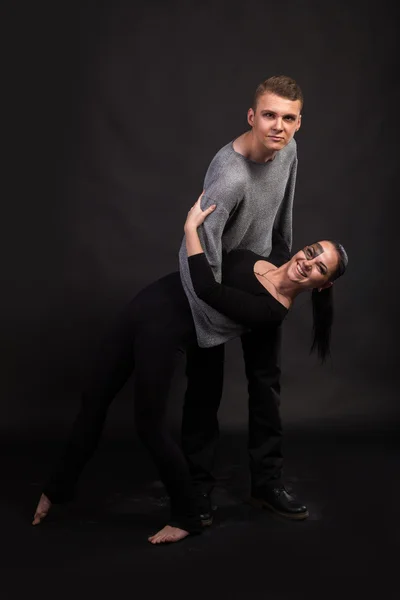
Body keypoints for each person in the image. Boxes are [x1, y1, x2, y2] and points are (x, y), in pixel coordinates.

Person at [32, 194, 348, 544]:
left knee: (148, 425)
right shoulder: (270, 254)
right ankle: (56, 491)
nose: (308, 262)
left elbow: (206, 289)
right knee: (93, 400)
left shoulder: (272, 311)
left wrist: (190, 228)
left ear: (323, 285)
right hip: (144, 305)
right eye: (313, 251)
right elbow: (266, 200)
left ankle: (187, 516)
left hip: (166, 333)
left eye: (321, 267)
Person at [178, 75, 308, 524]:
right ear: (251, 117)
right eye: (269, 115)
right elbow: (195, 245)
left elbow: (283, 211)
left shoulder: (287, 149)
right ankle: (197, 492)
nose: (278, 126)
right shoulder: (229, 176)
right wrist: (210, 318)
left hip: (261, 273)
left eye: (288, 118)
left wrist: (281, 270)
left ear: (298, 123)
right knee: (204, 391)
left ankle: (266, 484)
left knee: (266, 384)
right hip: (212, 284)